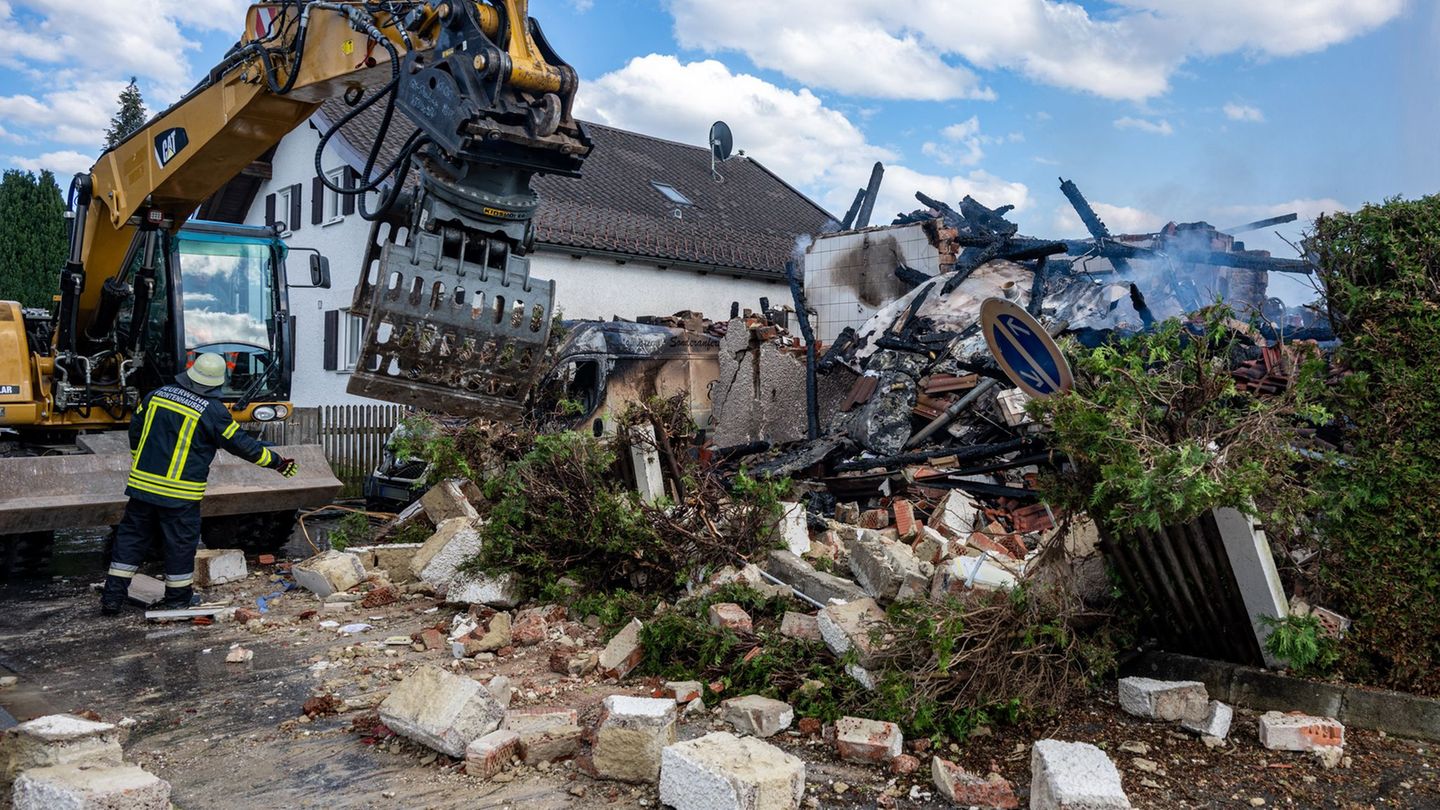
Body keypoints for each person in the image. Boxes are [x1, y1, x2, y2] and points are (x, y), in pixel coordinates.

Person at [100, 353, 298, 614]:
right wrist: (277, 462)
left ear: (190, 373)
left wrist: (139, 459)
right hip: (180, 495)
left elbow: (136, 430)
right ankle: (177, 600)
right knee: (179, 546)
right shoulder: (212, 411)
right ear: (216, 383)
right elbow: (242, 445)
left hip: (142, 488)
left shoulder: (156, 396)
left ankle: (112, 598)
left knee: (130, 541)